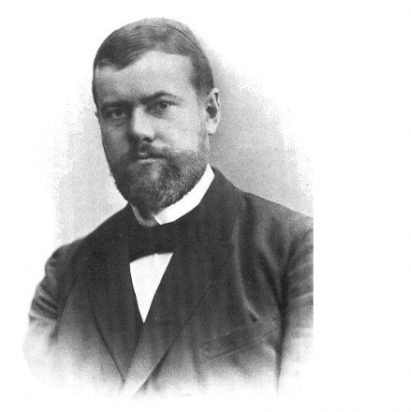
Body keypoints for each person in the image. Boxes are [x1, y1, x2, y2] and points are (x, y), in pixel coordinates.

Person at [24, 18, 313, 399]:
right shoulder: (63, 277)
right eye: (116, 112)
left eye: (160, 106)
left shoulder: (296, 251)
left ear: (210, 112)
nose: (138, 131)